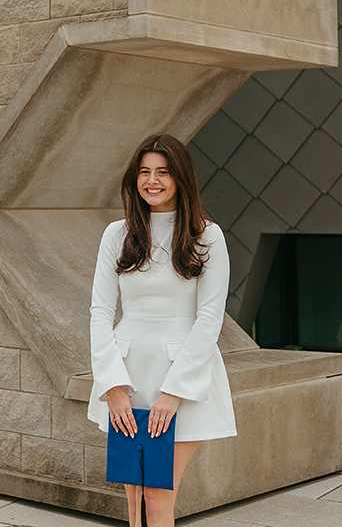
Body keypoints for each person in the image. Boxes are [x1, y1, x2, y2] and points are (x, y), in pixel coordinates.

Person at [88, 133, 236, 527]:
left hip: (182, 379)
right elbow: (100, 311)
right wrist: (112, 385)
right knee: (133, 498)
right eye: (144, 172)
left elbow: (209, 319)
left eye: (164, 172)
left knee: (157, 496)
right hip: (127, 375)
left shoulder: (207, 235)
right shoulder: (116, 234)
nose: (152, 181)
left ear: (181, 178)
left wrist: (174, 393)